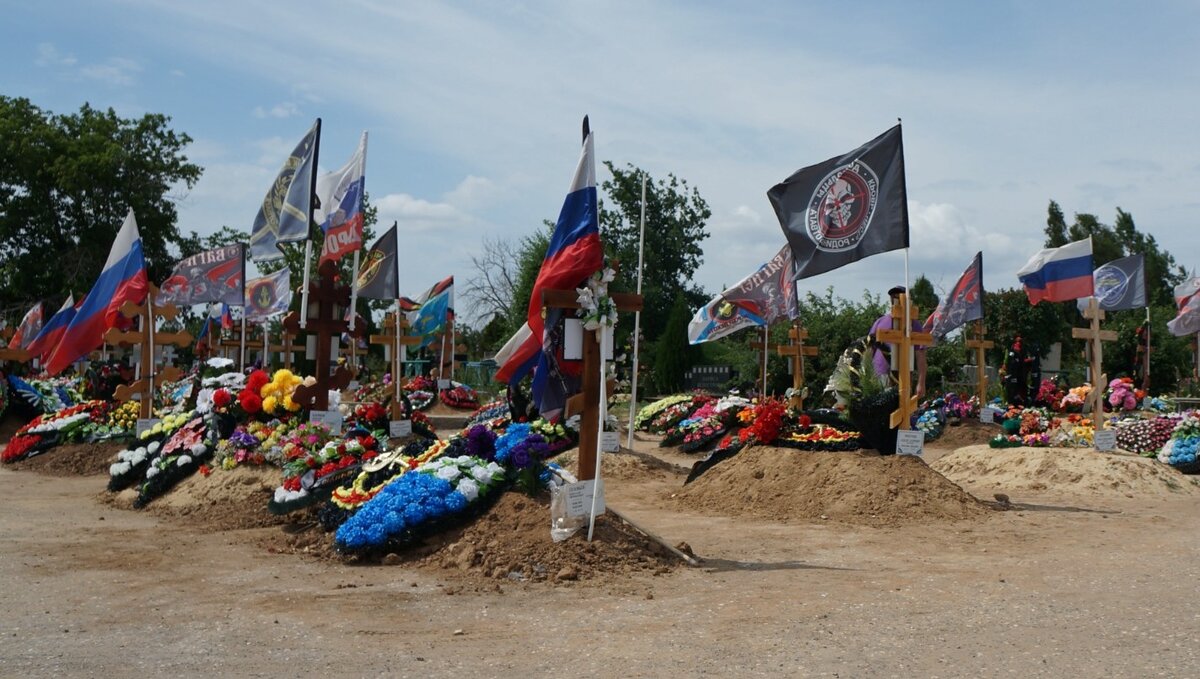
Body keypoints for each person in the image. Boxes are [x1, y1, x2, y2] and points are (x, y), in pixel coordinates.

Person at [869, 285, 928, 398]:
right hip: (879, 375)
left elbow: (920, 355)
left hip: (903, 377)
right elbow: (869, 349)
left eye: (899, 296)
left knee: (901, 410)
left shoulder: (913, 324)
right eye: (893, 297)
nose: (895, 299)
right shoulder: (880, 322)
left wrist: (921, 383)